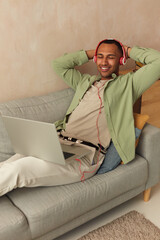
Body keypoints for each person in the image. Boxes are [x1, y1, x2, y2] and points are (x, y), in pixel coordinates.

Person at [0, 39, 160, 197]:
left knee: (18, 169)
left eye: (111, 57)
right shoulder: (85, 82)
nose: (104, 61)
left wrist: (127, 50)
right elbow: (59, 64)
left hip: (84, 157)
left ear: (121, 60)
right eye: (100, 56)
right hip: (57, 143)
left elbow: (157, 62)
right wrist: (91, 53)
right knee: (8, 165)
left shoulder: (128, 84)